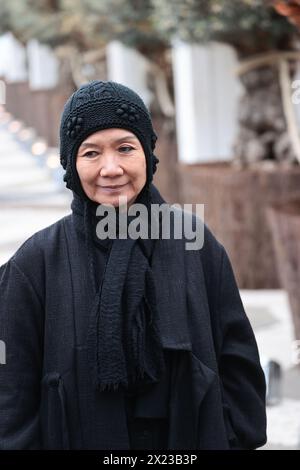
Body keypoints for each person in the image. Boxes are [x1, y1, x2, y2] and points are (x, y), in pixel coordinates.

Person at [0, 80, 267, 450]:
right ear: (70, 164)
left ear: (148, 155)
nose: (111, 169)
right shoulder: (37, 261)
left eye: (126, 148)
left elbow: (239, 362)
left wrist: (233, 436)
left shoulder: (194, 242)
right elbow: (11, 389)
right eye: (91, 153)